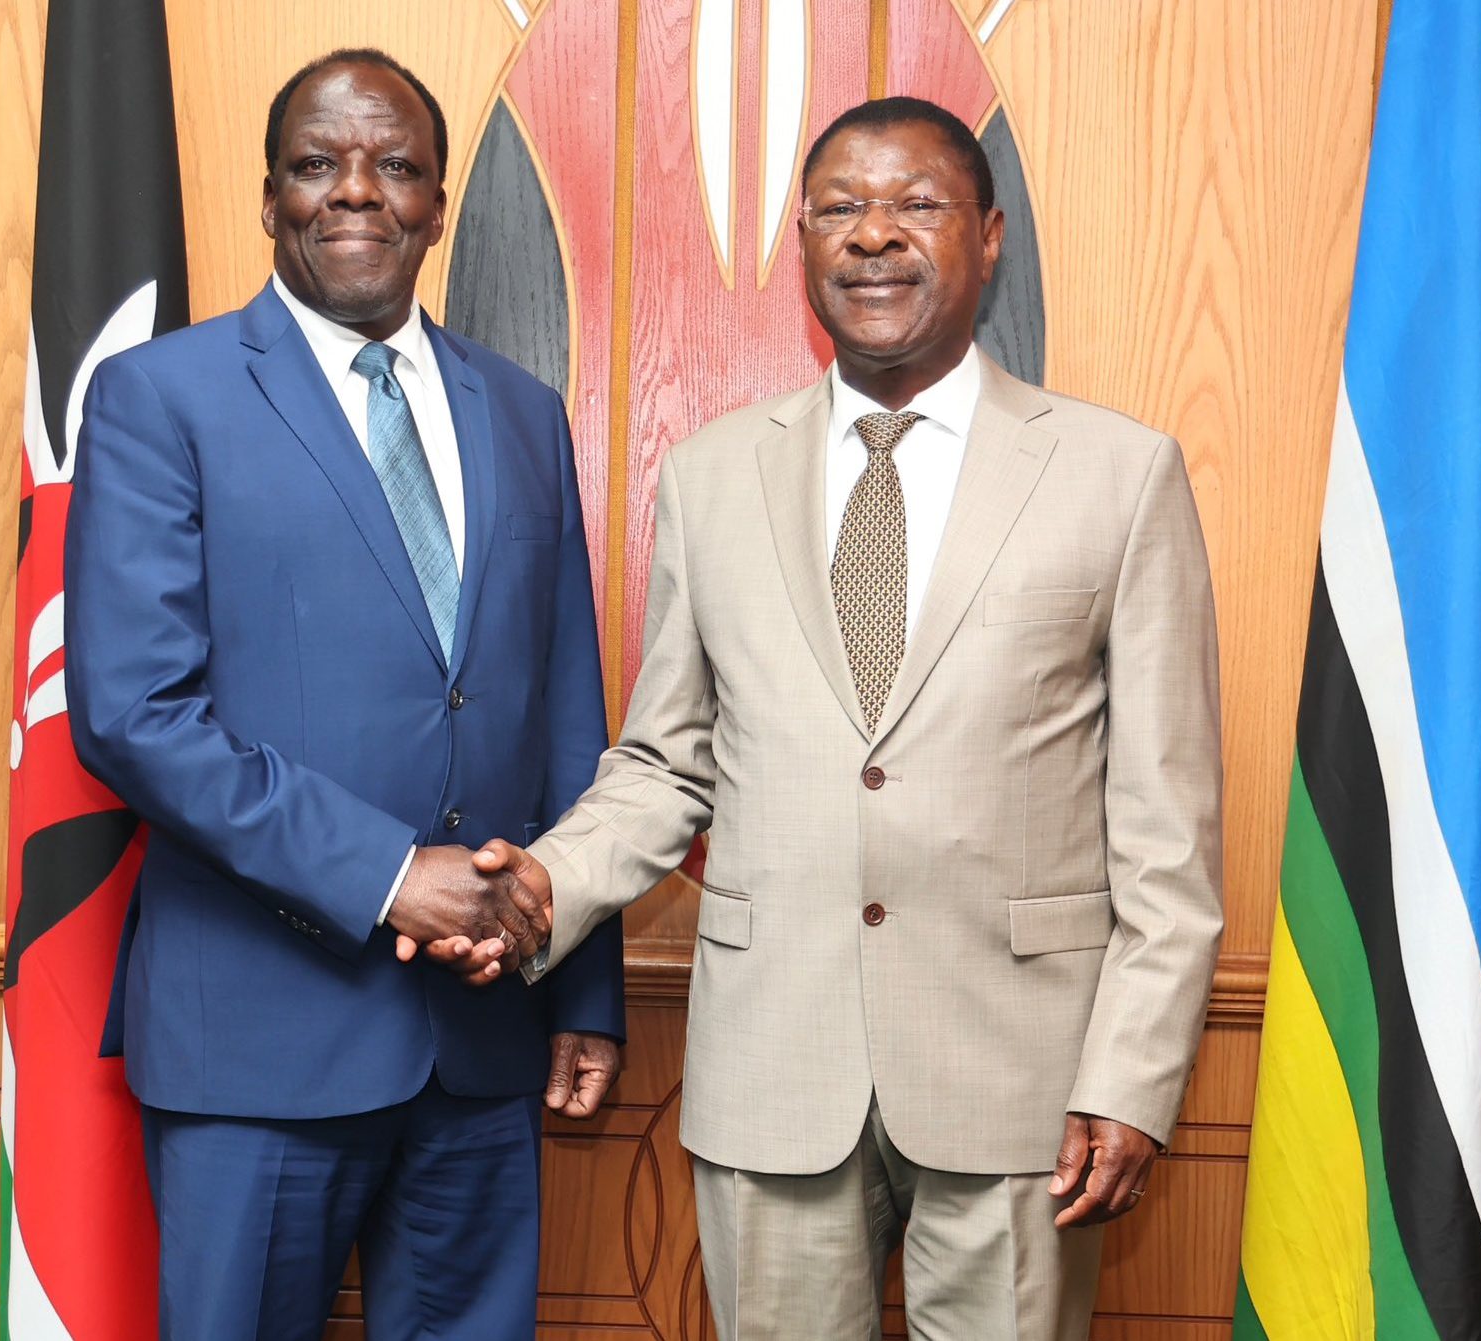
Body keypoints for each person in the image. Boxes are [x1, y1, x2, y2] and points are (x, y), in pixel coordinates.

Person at [425, 95, 1224, 1338]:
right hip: (773, 1068)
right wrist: (542, 885)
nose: (873, 236)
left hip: (1024, 1085)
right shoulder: (709, 475)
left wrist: (1134, 1076)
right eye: (841, 210)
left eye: (916, 205)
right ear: (802, 244)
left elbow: (1169, 831)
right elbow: (663, 765)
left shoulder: (1121, 477)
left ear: (990, 235)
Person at [64, 48, 622, 1341]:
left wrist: (582, 983)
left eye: (394, 166)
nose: (355, 192)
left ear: (436, 201)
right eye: (318, 165)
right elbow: (135, 715)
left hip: (483, 1040)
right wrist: (388, 874)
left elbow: (564, 720)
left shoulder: (526, 415)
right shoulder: (162, 399)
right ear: (268, 199)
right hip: (255, 1047)